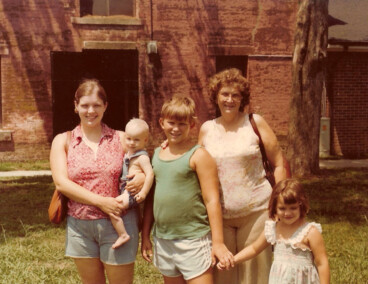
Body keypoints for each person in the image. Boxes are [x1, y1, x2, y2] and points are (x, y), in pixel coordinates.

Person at [198, 68, 288, 284]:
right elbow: (194, 164)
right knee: (223, 273)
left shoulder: (254, 122)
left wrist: (281, 202)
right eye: (225, 94)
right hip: (220, 218)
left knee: (254, 276)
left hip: (256, 211)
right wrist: (171, 145)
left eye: (235, 95)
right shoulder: (207, 129)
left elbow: (279, 163)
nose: (229, 100)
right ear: (216, 97)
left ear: (242, 99)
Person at [50, 79, 144, 284]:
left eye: (96, 105)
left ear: (105, 107)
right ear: (75, 106)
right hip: (80, 227)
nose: (90, 111)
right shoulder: (63, 141)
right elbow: (61, 183)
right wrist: (101, 202)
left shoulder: (121, 139)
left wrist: (142, 176)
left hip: (120, 224)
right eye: (84, 105)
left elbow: (144, 162)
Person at [141, 96, 234, 284]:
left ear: (191, 125)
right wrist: (145, 236)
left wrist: (218, 242)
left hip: (194, 240)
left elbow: (212, 200)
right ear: (162, 123)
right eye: (171, 123)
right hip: (164, 239)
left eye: (182, 124)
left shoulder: (199, 156)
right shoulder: (157, 155)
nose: (175, 128)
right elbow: (151, 200)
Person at [217, 178, 330, 284]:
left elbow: (322, 263)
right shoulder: (273, 228)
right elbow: (254, 248)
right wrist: (234, 260)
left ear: (301, 205)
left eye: (293, 208)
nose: (287, 213)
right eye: (282, 208)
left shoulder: (310, 232)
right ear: (274, 207)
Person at [110, 118, 154, 249]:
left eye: (137, 140)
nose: (132, 143)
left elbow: (150, 174)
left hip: (132, 193)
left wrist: (144, 192)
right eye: (129, 139)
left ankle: (123, 234)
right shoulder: (129, 153)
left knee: (112, 208)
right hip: (126, 190)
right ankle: (138, 222)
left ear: (145, 140)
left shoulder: (142, 157)